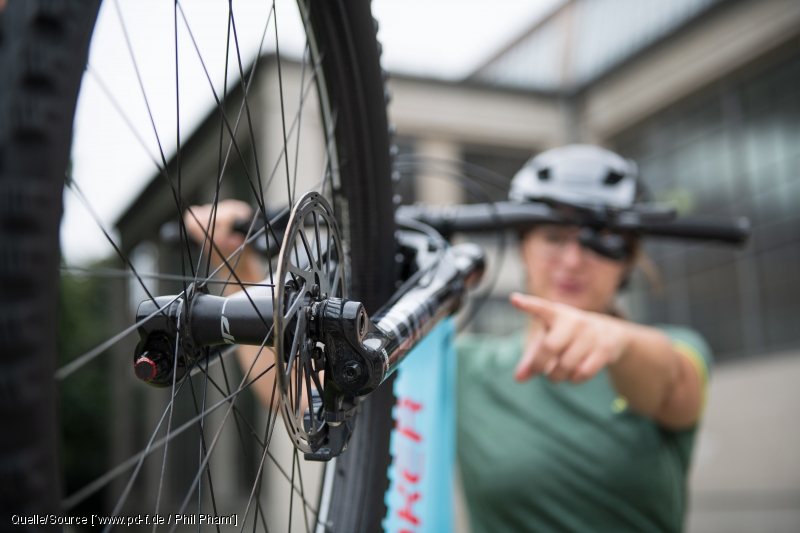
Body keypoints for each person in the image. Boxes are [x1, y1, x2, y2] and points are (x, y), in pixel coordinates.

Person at [456, 144, 711, 533]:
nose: (573, 260)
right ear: (523, 246)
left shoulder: (676, 348)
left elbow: (671, 382)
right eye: (554, 236)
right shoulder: (463, 368)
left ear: (627, 259)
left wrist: (618, 342)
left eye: (598, 240)